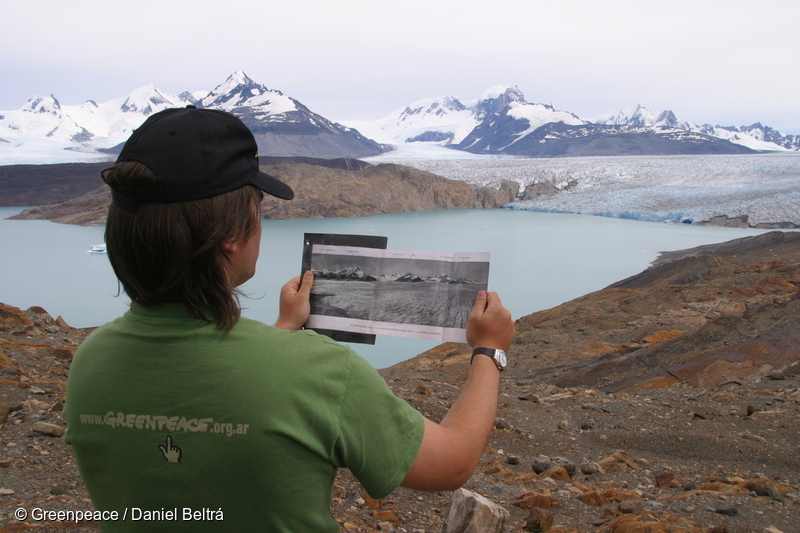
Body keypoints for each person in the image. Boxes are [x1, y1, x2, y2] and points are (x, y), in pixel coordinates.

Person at [63, 106, 516, 532]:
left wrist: (282, 332)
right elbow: (452, 463)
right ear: (230, 238)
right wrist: (488, 350)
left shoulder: (91, 362)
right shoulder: (315, 371)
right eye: (258, 210)